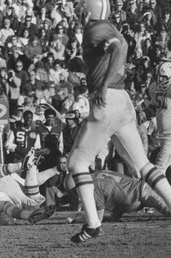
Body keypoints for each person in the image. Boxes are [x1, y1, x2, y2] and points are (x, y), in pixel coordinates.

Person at [66, 0, 171, 243]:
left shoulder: (96, 28)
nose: (80, 11)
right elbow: (114, 50)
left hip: (107, 99)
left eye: (83, 8)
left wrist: (102, 84)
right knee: (143, 165)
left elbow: (114, 50)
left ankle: (92, 223)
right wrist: (87, 67)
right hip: (123, 99)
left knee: (77, 163)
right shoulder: (110, 28)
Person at [66, 170, 171, 223]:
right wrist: (114, 216)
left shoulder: (94, 187)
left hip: (142, 192)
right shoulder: (97, 175)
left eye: (75, 192)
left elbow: (97, 219)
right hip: (141, 190)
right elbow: (118, 192)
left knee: (168, 209)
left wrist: (79, 218)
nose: (78, 197)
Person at [147, 62, 171, 179]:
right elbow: (152, 107)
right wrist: (143, 113)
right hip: (160, 135)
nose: (159, 79)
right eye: (158, 76)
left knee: (158, 169)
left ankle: (155, 196)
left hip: (169, 136)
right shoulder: (156, 88)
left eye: (163, 77)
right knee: (156, 166)